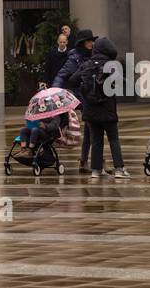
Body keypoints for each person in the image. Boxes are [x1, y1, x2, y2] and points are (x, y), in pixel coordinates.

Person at [69, 35, 130, 180]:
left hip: (90, 110)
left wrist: (84, 90)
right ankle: (119, 169)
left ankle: (96, 170)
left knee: (96, 140)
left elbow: (72, 81)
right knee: (113, 139)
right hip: (107, 109)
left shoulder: (86, 65)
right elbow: (123, 83)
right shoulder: (112, 65)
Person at [52, 27, 94, 171]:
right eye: (89, 41)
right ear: (82, 43)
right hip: (82, 98)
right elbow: (61, 75)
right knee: (92, 128)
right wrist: (55, 91)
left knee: (91, 129)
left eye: (92, 41)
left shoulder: (94, 55)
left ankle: (86, 160)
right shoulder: (74, 58)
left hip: (93, 97)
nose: (91, 43)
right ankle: (92, 161)